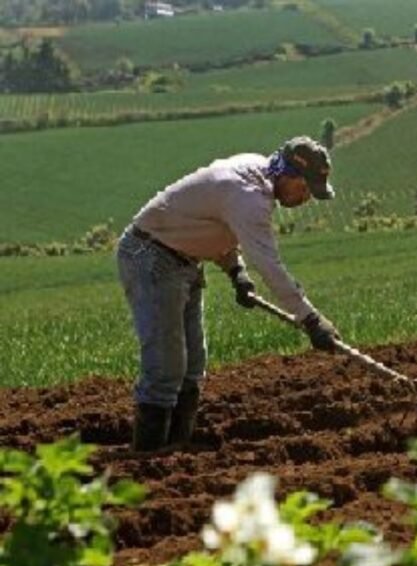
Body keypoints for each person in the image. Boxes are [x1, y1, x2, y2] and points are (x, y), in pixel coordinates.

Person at [116, 136, 341, 452]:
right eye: (305, 188)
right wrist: (311, 320)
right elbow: (270, 266)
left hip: (184, 260)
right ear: (288, 175)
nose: (306, 198)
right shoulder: (249, 197)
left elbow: (214, 225)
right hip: (152, 257)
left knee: (193, 364)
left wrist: (237, 273)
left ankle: (176, 448)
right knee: (166, 366)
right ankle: (149, 454)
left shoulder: (254, 172)